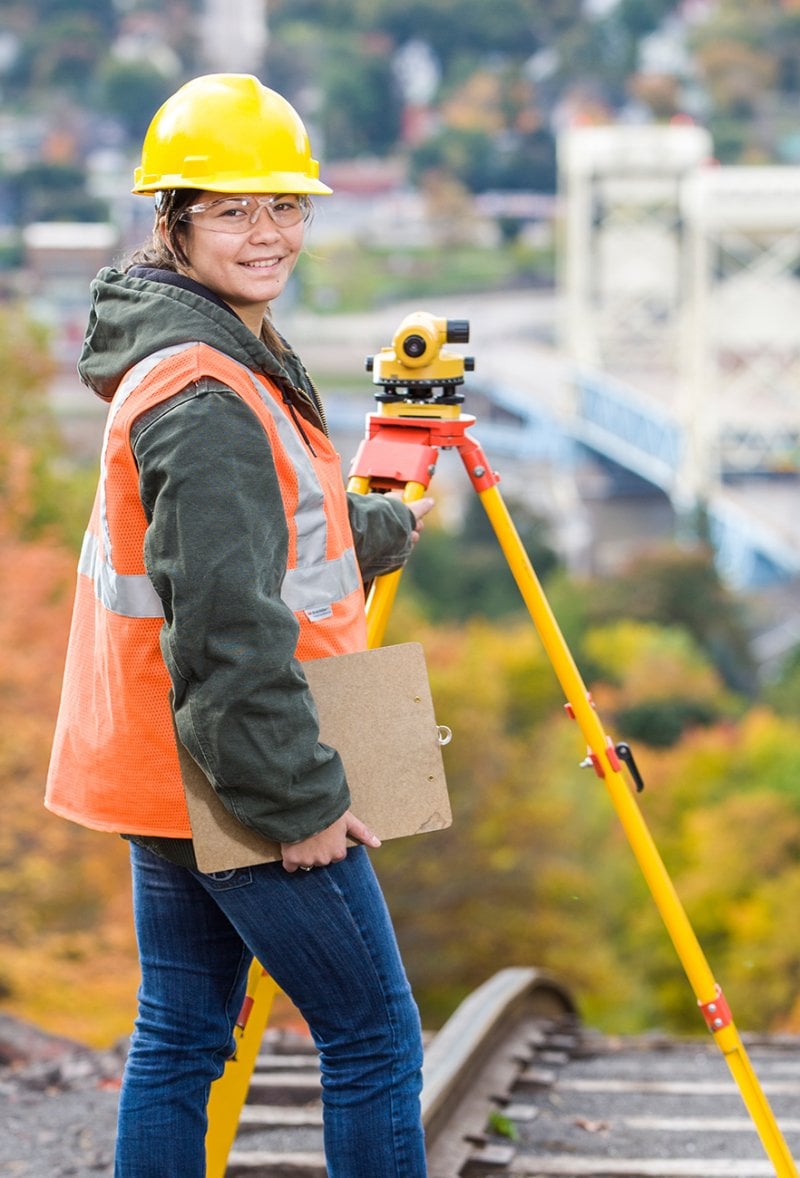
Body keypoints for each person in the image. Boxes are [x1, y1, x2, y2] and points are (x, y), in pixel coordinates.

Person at [45, 73, 433, 1178]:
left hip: (161, 763)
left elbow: (238, 539)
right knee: (370, 1036)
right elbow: (221, 622)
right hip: (240, 770)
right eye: (231, 208)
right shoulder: (208, 390)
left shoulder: (188, 349)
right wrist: (296, 800)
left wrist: (370, 529)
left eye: (284, 205)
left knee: (179, 1035)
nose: (267, 232)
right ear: (172, 219)